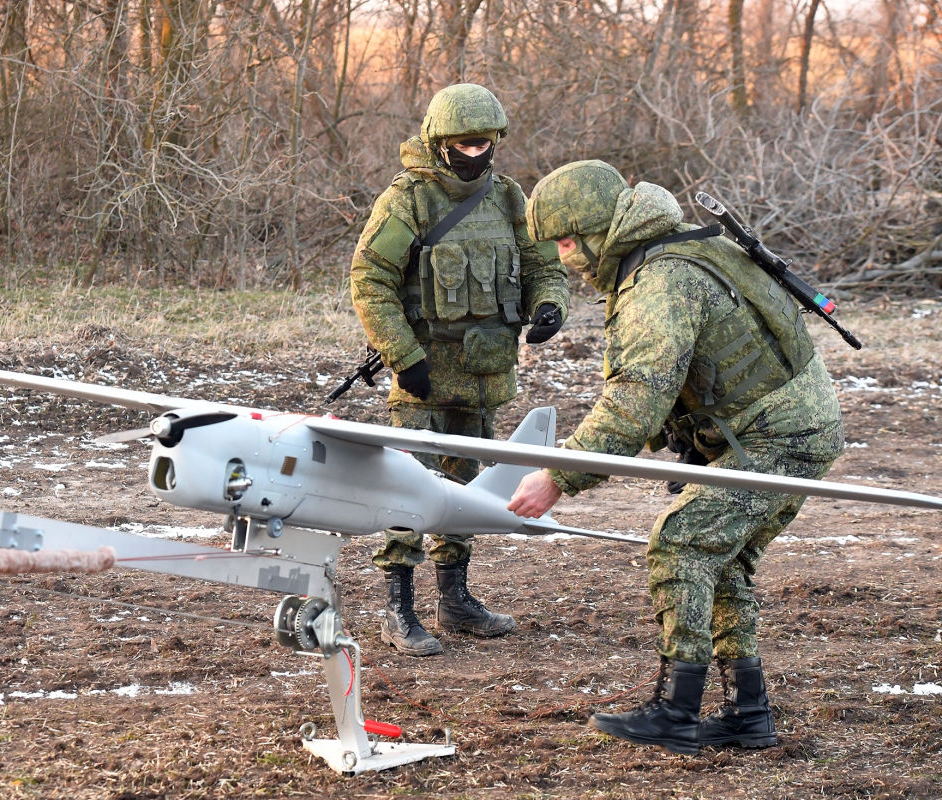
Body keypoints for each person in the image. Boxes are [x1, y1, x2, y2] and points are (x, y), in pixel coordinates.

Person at [507, 160, 844, 753]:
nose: (564, 258)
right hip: (793, 428)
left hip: (777, 438)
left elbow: (636, 396)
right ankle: (749, 714)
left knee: (682, 540)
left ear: (595, 232)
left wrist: (558, 476)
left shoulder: (660, 282)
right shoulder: (678, 250)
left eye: (565, 241)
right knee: (720, 558)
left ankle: (676, 710)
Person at [350, 83, 569, 657]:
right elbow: (369, 281)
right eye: (464, 144)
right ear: (440, 143)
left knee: (468, 486)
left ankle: (456, 599)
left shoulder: (508, 198)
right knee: (405, 490)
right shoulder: (409, 200)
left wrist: (550, 306)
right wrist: (404, 356)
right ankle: (397, 609)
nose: (477, 154)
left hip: (481, 373)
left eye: (485, 143)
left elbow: (543, 263)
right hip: (423, 376)